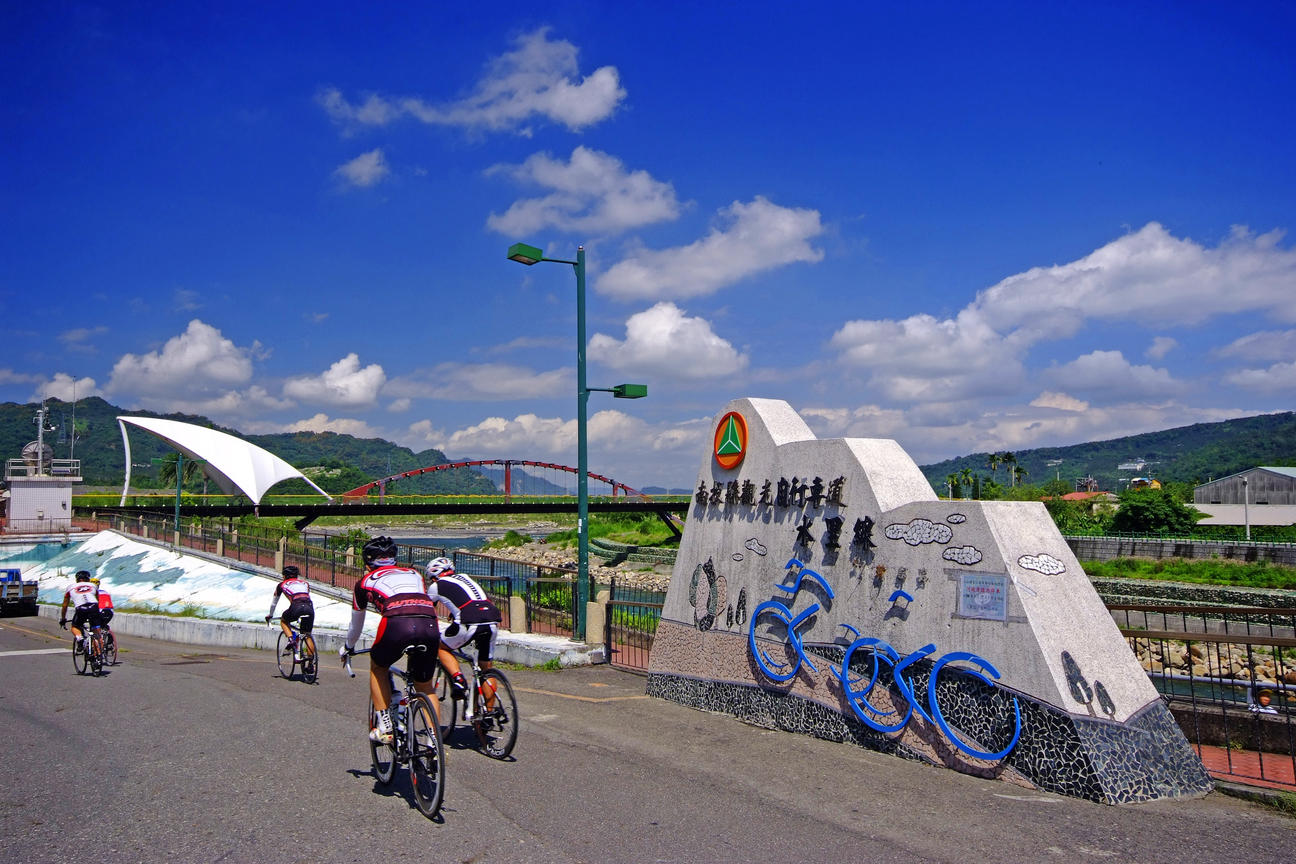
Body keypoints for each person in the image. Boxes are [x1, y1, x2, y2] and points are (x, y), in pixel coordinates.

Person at [341, 537, 442, 744]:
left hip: (396, 623)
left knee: (378, 667)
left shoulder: (363, 583)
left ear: (367, 563)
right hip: (429, 623)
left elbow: (356, 625)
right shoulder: (414, 574)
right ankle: (434, 743)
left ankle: (385, 727)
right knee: (425, 686)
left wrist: (348, 647)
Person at [425, 557, 502, 711]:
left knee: (440, 647)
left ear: (433, 577)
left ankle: (458, 679)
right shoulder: (465, 577)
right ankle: (488, 715)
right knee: (486, 670)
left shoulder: (436, 586)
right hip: (491, 619)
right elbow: (468, 599)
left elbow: (428, 612)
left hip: (468, 622)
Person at [266, 565, 315, 661]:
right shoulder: (305, 583)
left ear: (285, 576)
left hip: (296, 606)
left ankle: (291, 640)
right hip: (309, 607)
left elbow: (274, 603)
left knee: (284, 620)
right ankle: (311, 663)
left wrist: (270, 615)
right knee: (307, 634)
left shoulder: (282, 584)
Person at [59, 570, 103, 649]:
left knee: (75, 627)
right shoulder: (93, 586)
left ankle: (80, 638)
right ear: (88, 579)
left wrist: (63, 618)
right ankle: (99, 654)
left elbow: (65, 605)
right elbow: (99, 600)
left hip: (81, 608)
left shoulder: (70, 587)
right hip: (94, 607)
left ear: (77, 580)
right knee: (96, 632)